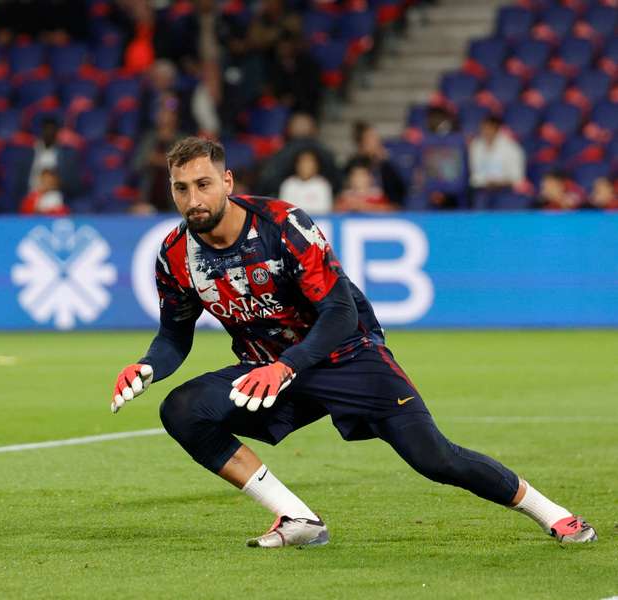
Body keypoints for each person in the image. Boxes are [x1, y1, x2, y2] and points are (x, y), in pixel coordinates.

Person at [110, 137, 596, 548]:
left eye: (203, 184)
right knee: (182, 409)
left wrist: (286, 367)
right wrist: (149, 366)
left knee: (435, 459)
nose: (193, 199)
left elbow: (340, 314)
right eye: (181, 188)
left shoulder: (283, 226)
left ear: (228, 182)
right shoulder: (175, 255)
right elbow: (174, 334)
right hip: (274, 370)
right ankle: (298, 518)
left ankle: (550, 512)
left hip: (347, 354)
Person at [345, 121, 406, 206]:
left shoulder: (386, 166)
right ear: (361, 142)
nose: (375, 142)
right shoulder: (353, 164)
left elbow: (397, 194)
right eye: (370, 138)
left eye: (376, 138)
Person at [469, 114, 525, 191]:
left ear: (497, 129)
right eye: (483, 128)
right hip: (480, 189)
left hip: (504, 189)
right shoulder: (476, 145)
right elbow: (474, 173)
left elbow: (518, 177)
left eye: (489, 128)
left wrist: (498, 183)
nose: (485, 132)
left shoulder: (512, 148)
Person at [278, 149, 332, 215]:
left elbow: (325, 211)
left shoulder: (323, 185)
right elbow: (284, 211)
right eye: (302, 162)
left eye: (309, 162)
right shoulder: (288, 184)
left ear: (316, 166)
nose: (305, 166)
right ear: (296, 165)